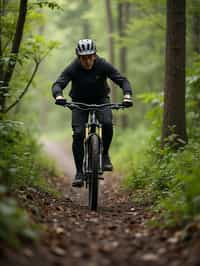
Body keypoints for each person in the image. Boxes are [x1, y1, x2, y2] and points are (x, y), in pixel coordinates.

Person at [52, 39, 133, 187]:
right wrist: (59, 96)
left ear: (95, 55)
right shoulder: (73, 67)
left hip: (101, 99)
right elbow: (58, 83)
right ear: (78, 57)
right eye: (84, 58)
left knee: (107, 123)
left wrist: (127, 95)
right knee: (78, 133)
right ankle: (79, 173)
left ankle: (105, 154)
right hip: (78, 101)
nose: (87, 61)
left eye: (90, 57)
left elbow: (122, 80)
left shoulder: (102, 64)